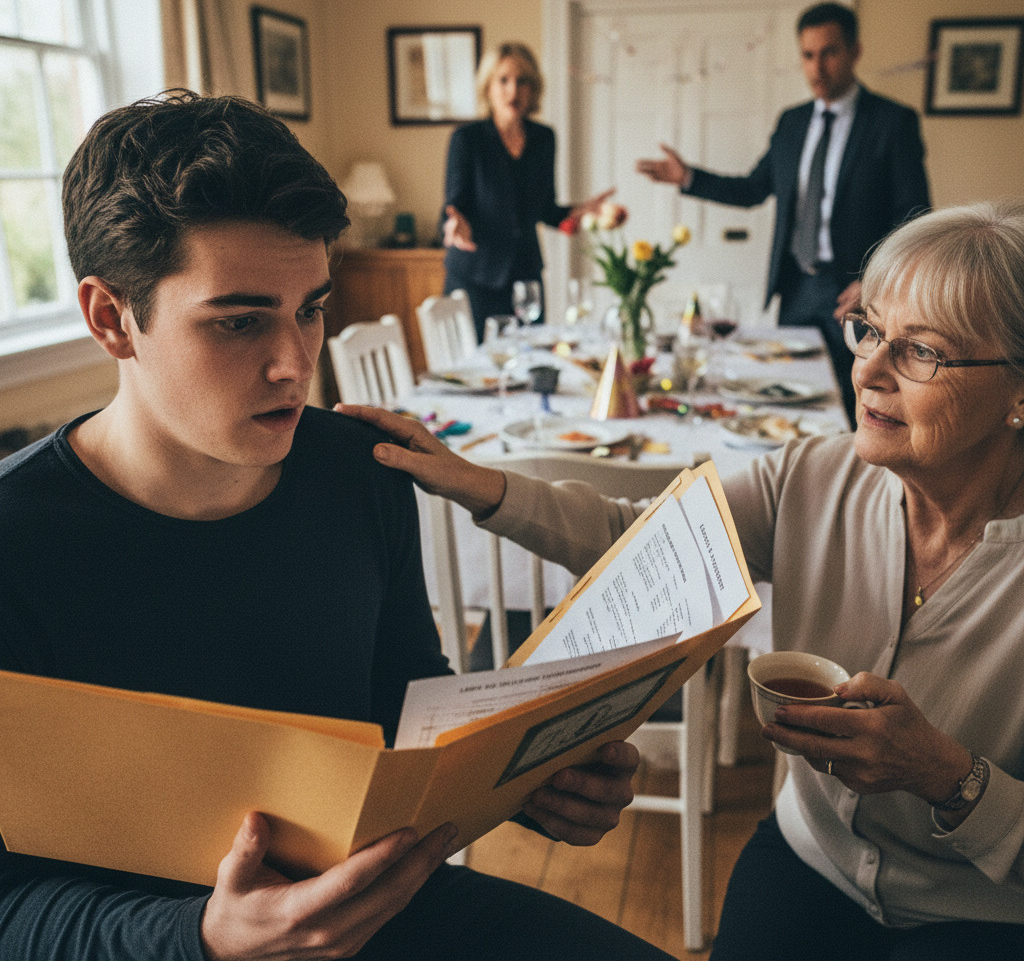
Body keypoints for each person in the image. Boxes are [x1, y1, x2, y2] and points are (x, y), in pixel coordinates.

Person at [0, 91, 679, 961]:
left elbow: (407, 709)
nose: (294, 364)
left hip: (381, 909)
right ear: (110, 319)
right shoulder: (18, 543)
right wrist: (204, 937)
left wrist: (525, 779)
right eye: (239, 321)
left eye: (311, 309)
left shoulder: (362, 473)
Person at [341, 201, 1024, 959]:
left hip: (984, 914)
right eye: (868, 330)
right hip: (813, 858)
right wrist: (480, 484)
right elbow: (643, 537)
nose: (868, 368)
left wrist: (947, 777)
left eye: (922, 351)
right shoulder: (813, 473)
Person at [636, 1, 931, 425]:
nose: (817, 67)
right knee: (787, 403)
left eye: (829, 52)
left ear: (854, 52)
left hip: (859, 292)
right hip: (795, 288)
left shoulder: (892, 122)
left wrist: (877, 279)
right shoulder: (792, 123)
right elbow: (754, 189)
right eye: (808, 55)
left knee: (857, 410)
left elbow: (916, 216)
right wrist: (689, 178)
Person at [441, 41, 612, 339]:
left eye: (523, 81)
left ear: (533, 89)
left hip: (525, 277)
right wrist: (455, 224)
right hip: (475, 277)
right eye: (503, 80)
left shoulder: (544, 138)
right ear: (488, 87)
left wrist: (581, 212)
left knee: (529, 363)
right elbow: (453, 206)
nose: (513, 90)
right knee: (479, 373)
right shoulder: (467, 139)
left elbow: (546, 209)